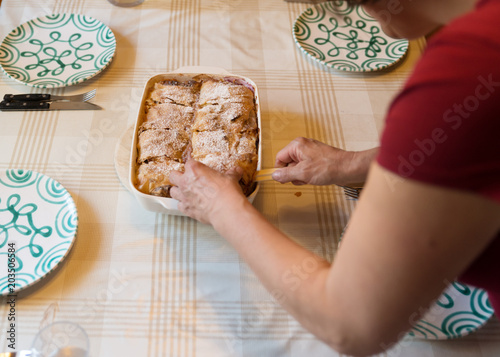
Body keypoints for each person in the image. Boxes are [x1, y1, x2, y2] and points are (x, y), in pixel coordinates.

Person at [169, 0, 500, 355]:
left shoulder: (466, 71)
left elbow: (350, 324)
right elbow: (469, 150)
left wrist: (222, 208)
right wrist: (353, 164)